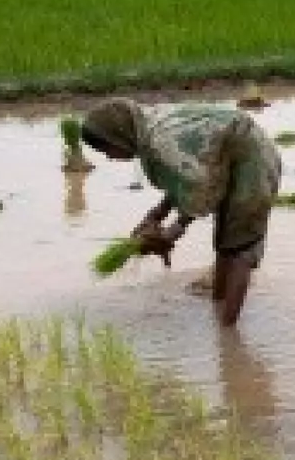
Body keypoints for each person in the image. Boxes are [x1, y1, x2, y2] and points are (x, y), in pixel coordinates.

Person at [78, 98, 282, 328]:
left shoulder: (160, 143)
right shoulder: (149, 129)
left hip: (252, 162)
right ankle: (219, 307)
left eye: (107, 148)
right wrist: (156, 215)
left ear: (120, 134)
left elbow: (201, 188)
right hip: (227, 161)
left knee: (240, 249)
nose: (109, 157)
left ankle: (228, 333)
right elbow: (183, 180)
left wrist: (172, 233)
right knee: (225, 244)